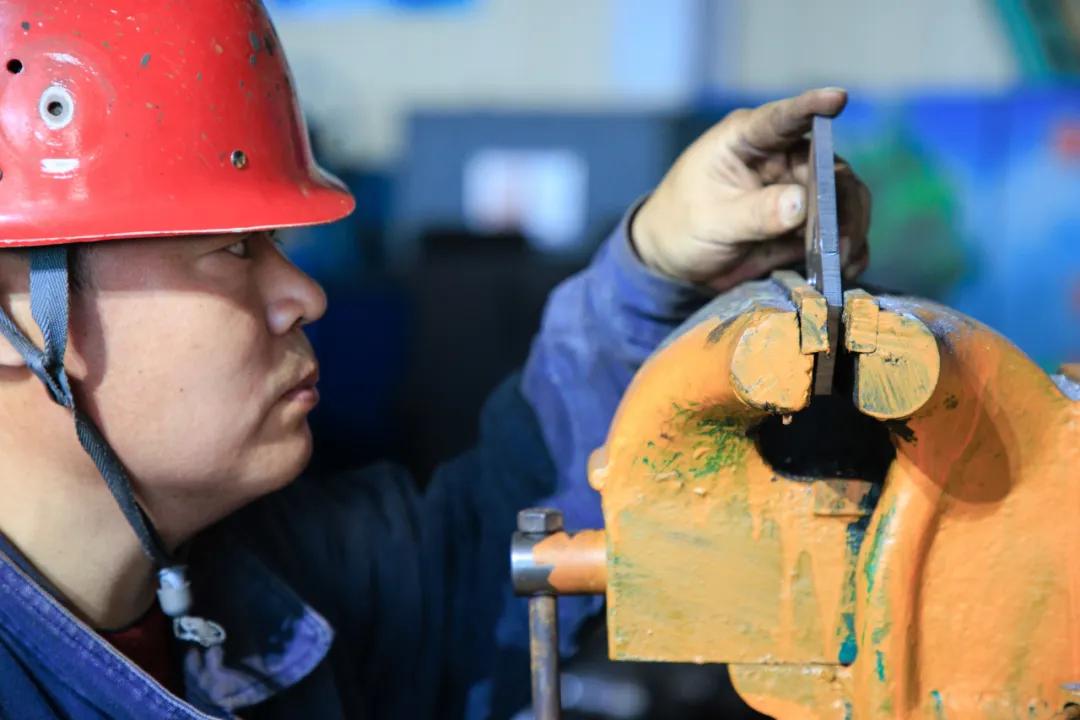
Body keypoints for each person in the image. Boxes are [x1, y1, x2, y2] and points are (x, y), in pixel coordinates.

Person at [0, 1, 869, 718]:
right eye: (231, 249)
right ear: (19, 315)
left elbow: (487, 546)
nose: (304, 295)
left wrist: (658, 272)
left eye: (275, 243)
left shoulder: (284, 578)